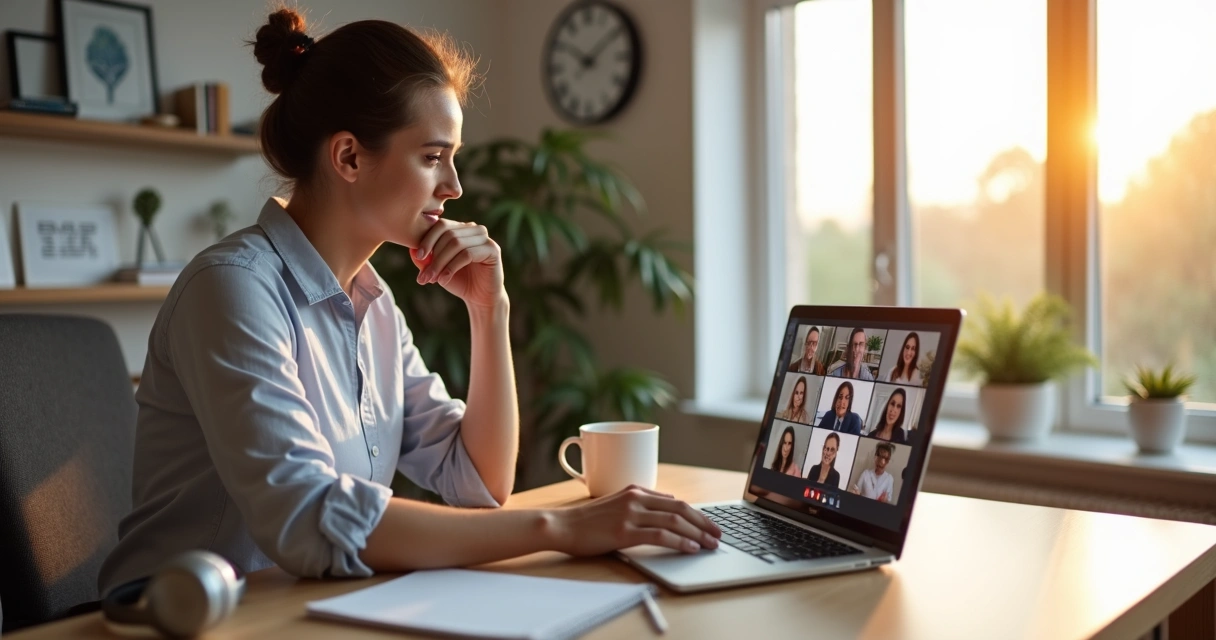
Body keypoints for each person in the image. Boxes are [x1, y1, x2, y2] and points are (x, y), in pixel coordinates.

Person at [97, 9, 720, 596]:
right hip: (174, 616)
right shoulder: (232, 288)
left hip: (309, 607)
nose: (453, 187)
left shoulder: (374, 303)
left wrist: (489, 309)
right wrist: (560, 529)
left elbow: (478, 480)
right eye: (432, 158)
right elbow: (309, 519)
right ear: (348, 156)